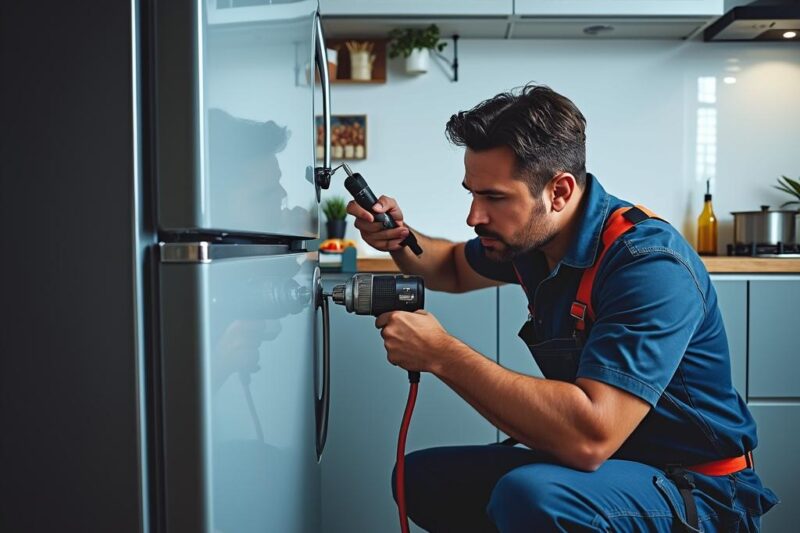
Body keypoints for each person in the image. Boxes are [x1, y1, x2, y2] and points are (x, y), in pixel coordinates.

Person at [347, 84, 778, 532]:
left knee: (534, 497)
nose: (473, 216)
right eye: (471, 193)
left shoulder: (647, 264)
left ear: (559, 191)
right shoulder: (533, 241)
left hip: (700, 490)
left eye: (494, 197)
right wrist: (398, 237)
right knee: (423, 478)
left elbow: (590, 436)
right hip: (614, 466)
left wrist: (441, 354)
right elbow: (450, 268)